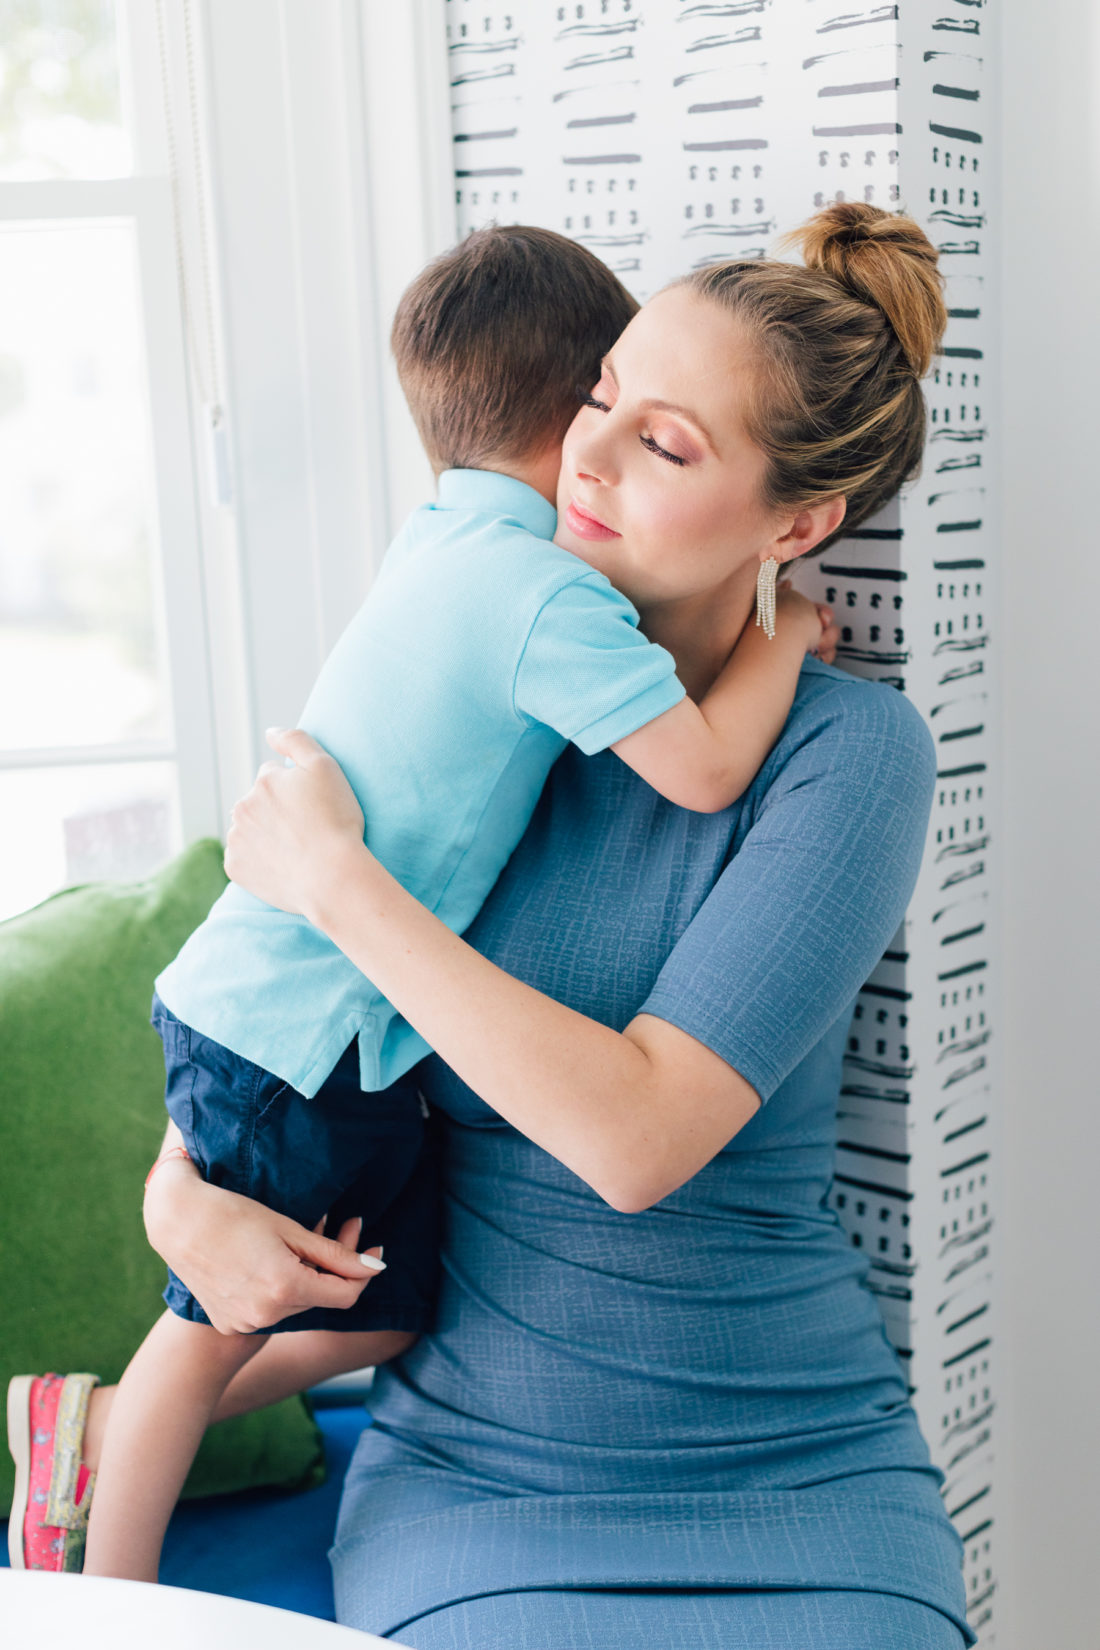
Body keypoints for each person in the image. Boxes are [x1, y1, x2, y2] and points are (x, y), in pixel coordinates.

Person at [128, 202, 974, 1647]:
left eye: (668, 442)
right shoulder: (479, 672)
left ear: (800, 523)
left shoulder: (851, 756)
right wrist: (177, 1200)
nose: (586, 452)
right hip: (478, 1484)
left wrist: (348, 884)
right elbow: (274, 996)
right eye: (600, 399)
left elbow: (638, 1139)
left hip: (798, 1466)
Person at [6, 226, 834, 1582]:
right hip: (303, 1019)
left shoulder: (444, 534)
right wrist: (787, 633)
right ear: (574, 418)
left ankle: (82, 1427)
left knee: (389, 1313)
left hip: (287, 1010)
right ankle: (108, 1593)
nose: (614, 448)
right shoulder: (543, 594)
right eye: (611, 408)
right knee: (206, 1323)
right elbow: (704, 769)